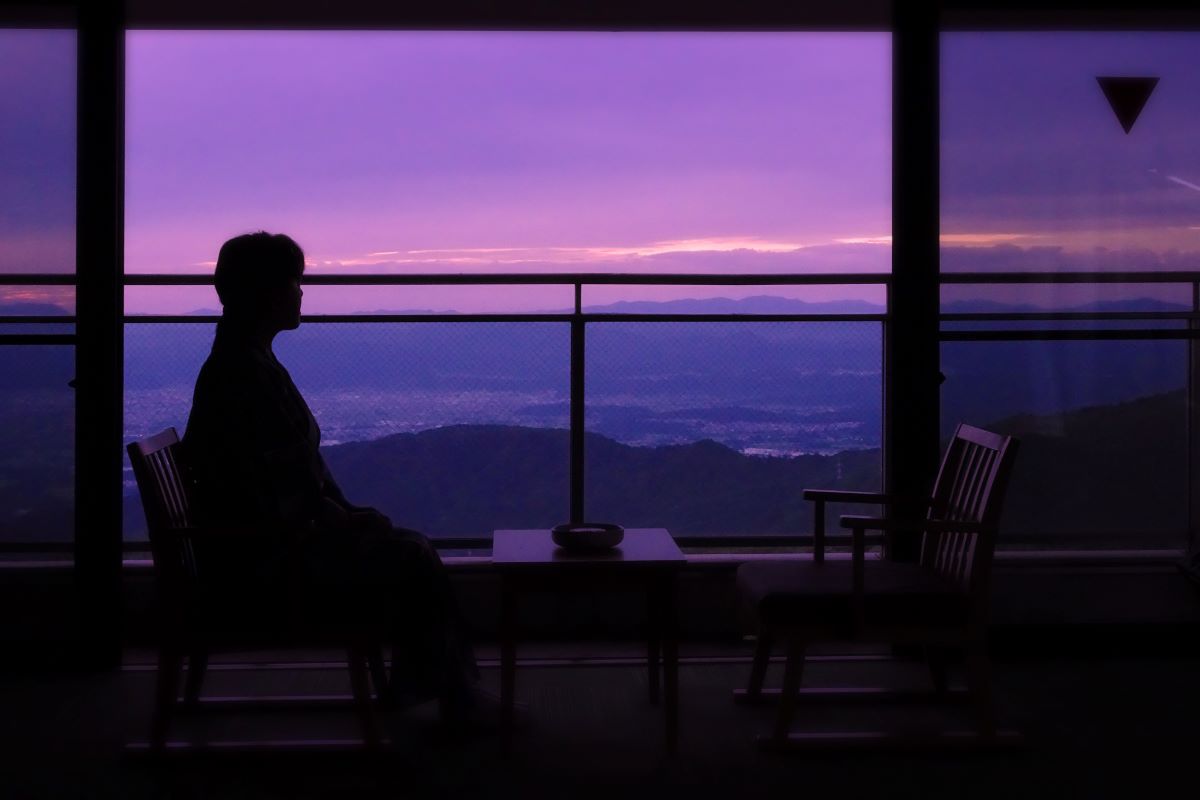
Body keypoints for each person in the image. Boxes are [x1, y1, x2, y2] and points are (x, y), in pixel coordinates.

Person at [182, 231, 490, 729]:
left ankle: (445, 692)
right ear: (264, 292)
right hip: (265, 563)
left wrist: (345, 515)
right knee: (412, 554)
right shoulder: (245, 376)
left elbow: (286, 478)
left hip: (258, 548)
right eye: (293, 282)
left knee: (409, 546)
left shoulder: (242, 364)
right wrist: (345, 522)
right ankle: (452, 696)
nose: (301, 293)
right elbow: (281, 489)